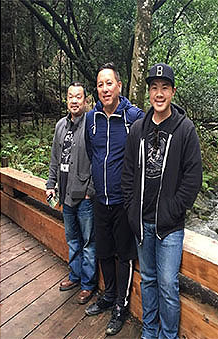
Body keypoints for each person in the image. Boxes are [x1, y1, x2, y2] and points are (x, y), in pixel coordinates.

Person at [122, 63, 202, 339]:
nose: (159, 94)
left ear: (172, 92)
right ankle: (149, 330)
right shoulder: (137, 130)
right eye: (154, 88)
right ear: (149, 92)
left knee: (168, 284)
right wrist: (131, 210)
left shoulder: (184, 129)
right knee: (148, 280)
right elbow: (128, 173)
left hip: (169, 226)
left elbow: (192, 178)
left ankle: (168, 335)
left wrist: (172, 210)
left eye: (164, 88)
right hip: (142, 222)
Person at [84, 62, 144, 335]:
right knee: (104, 251)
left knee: (125, 255)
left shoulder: (134, 118)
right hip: (100, 199)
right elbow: (91, 152)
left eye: (109, 83)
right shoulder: (91, 119)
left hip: (123, 201)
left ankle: (121, 304)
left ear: (119, 85)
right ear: (96, 90)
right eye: (100, 84)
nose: (105, 88)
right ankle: (108, 295)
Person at [46, 82, 97, 304]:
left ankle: (88, 285)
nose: (74, 101)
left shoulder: (92, 124)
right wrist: (51, 184)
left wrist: (90, 190)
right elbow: (55, 158)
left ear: (85, 100)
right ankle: (74, 276)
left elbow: (98, 159)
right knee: (72, 239)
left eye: (78, 97)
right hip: (65, 194)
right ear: (66, 100)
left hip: (84, 195)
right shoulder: (61, 126)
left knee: (88, 243)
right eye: (70, 97)